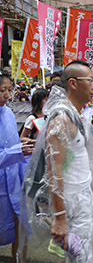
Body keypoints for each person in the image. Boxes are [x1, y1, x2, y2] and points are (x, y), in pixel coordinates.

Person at [19, 60, 93, 263]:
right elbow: (54, 171)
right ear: (73, 83)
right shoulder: (61, 119)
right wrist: (60, 217)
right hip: (71, 200)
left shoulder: (77, 114)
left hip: (82, 193)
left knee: (84, 247)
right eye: (90, 80)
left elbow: (83, 155)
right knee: (79, 254)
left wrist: (92, 183)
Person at [0, 69, 34, 263]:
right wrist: (16, 153)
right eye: (3, 90)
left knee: (20, 226)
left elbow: (13, 147)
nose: (7, 95)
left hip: (13, 182)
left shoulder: (9, 115)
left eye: (10, 89)